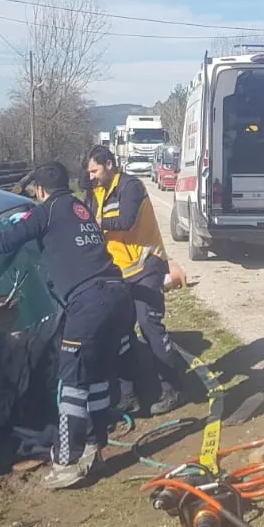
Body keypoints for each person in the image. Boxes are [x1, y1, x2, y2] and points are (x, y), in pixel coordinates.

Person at [0, 162, 136, 490]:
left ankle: (66, 461)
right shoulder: (80, 207)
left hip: (89, 302)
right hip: (118, 295)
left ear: (39, 190)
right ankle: (93, 446)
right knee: (95, 379)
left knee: (71, 384)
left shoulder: (45, 211)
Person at [84, 145, 191, 415]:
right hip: (118, 270)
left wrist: (96, 224)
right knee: (120, 331)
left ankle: (172, 389)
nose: (92, 176)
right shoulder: (95, 192)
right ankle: (128, 395)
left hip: (147, 264)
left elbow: (126, 221)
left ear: (109, 164)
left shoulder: (131, 187)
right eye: (89, 172)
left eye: (95, 170)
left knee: (149, 324)